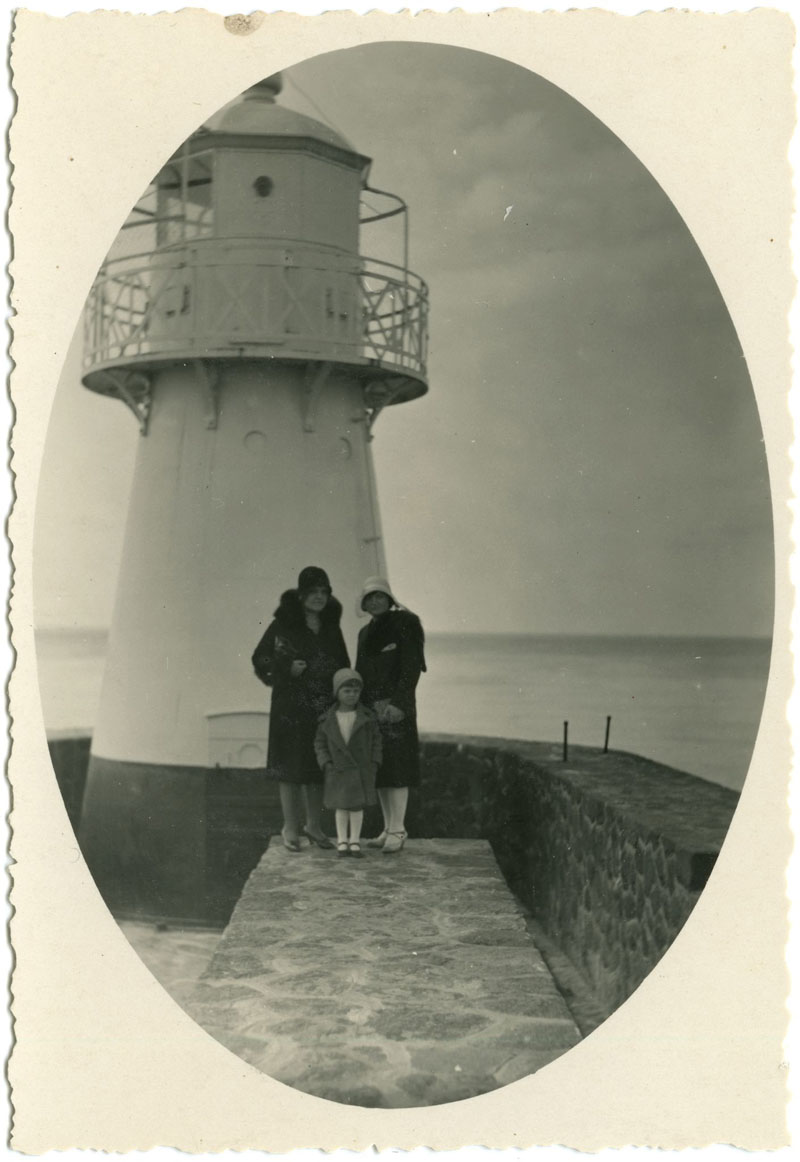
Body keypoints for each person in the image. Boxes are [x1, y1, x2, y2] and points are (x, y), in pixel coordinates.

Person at [252, 566, 349, 851]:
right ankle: (290, 828)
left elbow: (343, 664)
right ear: (301, 595)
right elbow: (260, 658)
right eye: (313, 592)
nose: (319, 597)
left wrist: (343, 697)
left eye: (324, 592)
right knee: (289, 768)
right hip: (290, 706)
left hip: (321, 706)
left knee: (317, 767)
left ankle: (314, 827)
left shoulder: (331, 626)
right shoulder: (283, 624)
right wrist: (285, 668)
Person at [355, 576, 426, 854]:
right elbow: (360, 672)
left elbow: (411, 667)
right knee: (382, 771)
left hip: (397, 709)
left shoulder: (405, 623)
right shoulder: (364, 633)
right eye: (369, 598)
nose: (375, 601)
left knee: (398, 769)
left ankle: (398, 829)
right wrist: (359, 709)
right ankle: (388, 828)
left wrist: (399, 704)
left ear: (389, 599)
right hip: (372, 710)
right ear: (363, 604)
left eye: (379, 596)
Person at [314, 668, 382, 859]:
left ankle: (355, 841)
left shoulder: (367, 717)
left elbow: (377, 741)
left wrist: (375, 762)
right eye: (347, 691)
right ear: (337, 692)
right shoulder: (327, 719)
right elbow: (319, 743)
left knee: (357, 806)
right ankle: (342, 841)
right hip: (337, 768)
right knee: (341, 806)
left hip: (361, 768)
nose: (352, 695)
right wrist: (326, 762)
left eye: (356, 691)